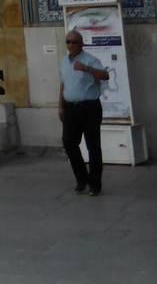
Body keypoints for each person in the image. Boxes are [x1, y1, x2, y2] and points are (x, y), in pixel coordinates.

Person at [59, 30, 110, 197]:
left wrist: (86, 69)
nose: (70, 45)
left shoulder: (90, 60)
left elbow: (105, 75)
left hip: (89, 108)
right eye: (68, 42)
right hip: (70, 108)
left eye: (74, 42)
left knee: (93, 146)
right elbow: (63, 84)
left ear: (81, 44)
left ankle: (95, 184)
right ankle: (82, 179)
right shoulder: (64, 62)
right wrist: (60, 106)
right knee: (68, 142)